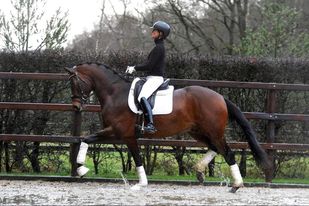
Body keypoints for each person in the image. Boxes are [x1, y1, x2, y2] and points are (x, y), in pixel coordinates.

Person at [126, 20, 170, 134]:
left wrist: (134, 68)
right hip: (151, 77)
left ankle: (150, 125)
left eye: (154, 31)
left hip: (155, 78)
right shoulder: (158, 47)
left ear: (160, 34)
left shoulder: (159, 48)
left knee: (142, 97)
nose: (152, 32)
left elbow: (149, 65)